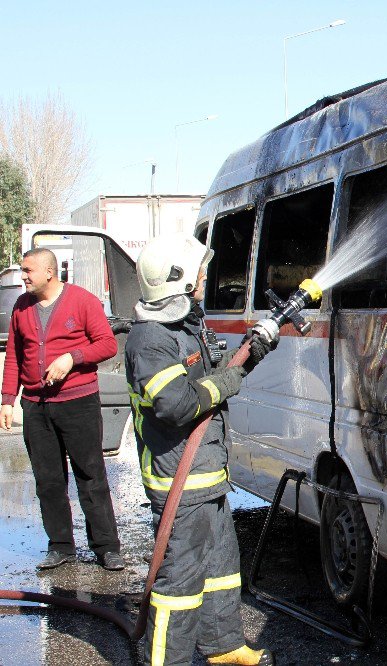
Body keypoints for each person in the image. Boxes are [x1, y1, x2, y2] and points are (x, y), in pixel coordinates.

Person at [125, 233, 275, 666]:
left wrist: (254, 351)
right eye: (196, 272)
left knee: (221, 570)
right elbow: (176, 405)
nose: (203, 276)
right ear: (176, 280)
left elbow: (214, 374)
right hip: (179, 482)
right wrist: (228, 382)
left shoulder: (185, 326)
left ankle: (224, 647)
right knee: (179, 586)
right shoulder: (150, 340)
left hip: (206, 476)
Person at [0, 248, 124, 571]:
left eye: (28, 270)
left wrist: (73, 358)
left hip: (78, 403)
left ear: (49, 273)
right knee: (48, 480)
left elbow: (108, 344)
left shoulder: (82, 301)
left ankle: (107, 547)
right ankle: (61, 545)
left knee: (90, 475)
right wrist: (7, 399)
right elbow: (14, 354)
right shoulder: (21, 307)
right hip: (36, 407)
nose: (23, 275)